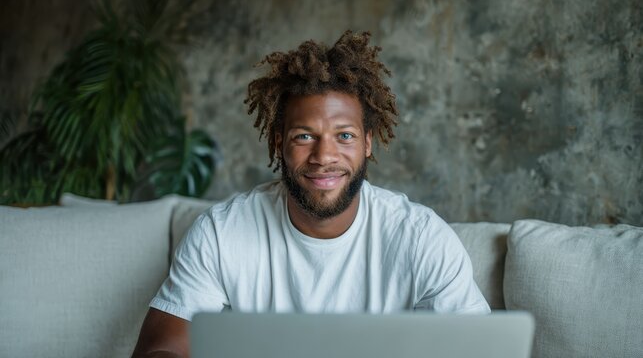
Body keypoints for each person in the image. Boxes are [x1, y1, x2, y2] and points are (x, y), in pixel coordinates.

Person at [132, 30, 489, 358]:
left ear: (367, 143)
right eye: (304, 136)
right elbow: (162, 349)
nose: (324, 157)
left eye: (344, 136)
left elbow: (481, 349)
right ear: (278, 144)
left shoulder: (422, 238)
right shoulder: (221, 233)